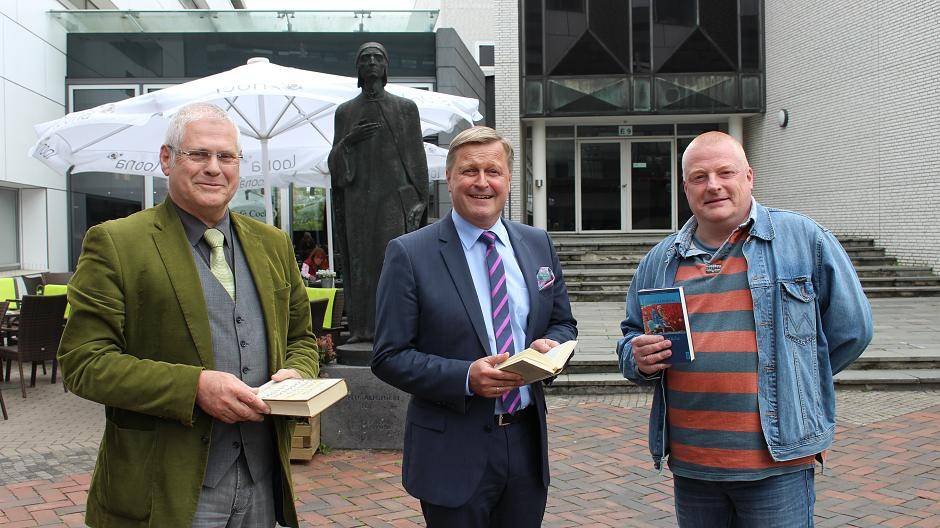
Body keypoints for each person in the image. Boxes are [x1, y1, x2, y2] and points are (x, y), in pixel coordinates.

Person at [57, 102, 319, 528]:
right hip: (166, 488)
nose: (213, 168)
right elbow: (83, 363)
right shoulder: (116, 243)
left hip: (261, 481)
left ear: (238, 164)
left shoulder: (272, 243)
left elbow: (301, 339)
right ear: (167, 159)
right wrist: (193, 386)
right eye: (198, 154)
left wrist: (297, 372)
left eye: (226, 156)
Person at [617, 131, 873, 527]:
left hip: (778, 463)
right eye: (699, 177)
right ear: (685, 188)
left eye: (725, 172)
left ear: (749, 177)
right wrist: (638, 358)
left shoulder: (803, 239)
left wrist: (796, 379)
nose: (713, 185)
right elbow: (631, 335)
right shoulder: (660, 260)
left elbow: (852, 329)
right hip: (693, 466)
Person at [372, 126, 578, 527]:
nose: (482, 182)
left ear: (508, 180)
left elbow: (562, 322)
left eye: (493, 171)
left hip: (524, 443)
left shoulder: (538, 244)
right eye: (469, 171)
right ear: (449, 179)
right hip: (452, 451)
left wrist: (552, 347)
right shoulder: (410, 254)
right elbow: (388, 356)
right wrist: (466, 377)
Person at [328, 41, 429, 343]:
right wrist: (350, 141)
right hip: (358, 200)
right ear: (358, 68)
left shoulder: (405, 109)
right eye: (365, 58)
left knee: (393, 264)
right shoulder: (345, 112)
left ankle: (396, 332)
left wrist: (421, 200)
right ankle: (362, 329)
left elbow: (416, 158)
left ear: (386, 67)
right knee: (360, 266)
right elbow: (334, 161)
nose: (371, 62)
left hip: (393, 200)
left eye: (377, 58)